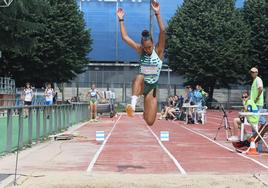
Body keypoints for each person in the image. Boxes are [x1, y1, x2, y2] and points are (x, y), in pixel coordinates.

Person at [117, 1, 165, 126]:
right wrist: (121, 20)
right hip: (142, 84)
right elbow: (125, 37)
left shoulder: (158, 51)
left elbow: (163, 31)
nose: (148, 50)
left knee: (150, 121)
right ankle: (132, 106)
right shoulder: (140, 50)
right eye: (145, 48)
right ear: (142, 47)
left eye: (149, 47)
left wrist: (157, 13)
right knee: (140, 76)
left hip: (152, 88)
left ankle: (145, 109)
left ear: (153, 44)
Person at [250, 67, 266, 152]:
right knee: (254, 124)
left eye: (254, 72)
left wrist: (256, 98)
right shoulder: (254, 80)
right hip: (254, 104)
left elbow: (260, 89)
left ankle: (264, 125)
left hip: (257, 104)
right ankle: (256, 147)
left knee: (256, 122)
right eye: (251, 72)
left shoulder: (258, 80)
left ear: (257, 72)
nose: (252, 73)